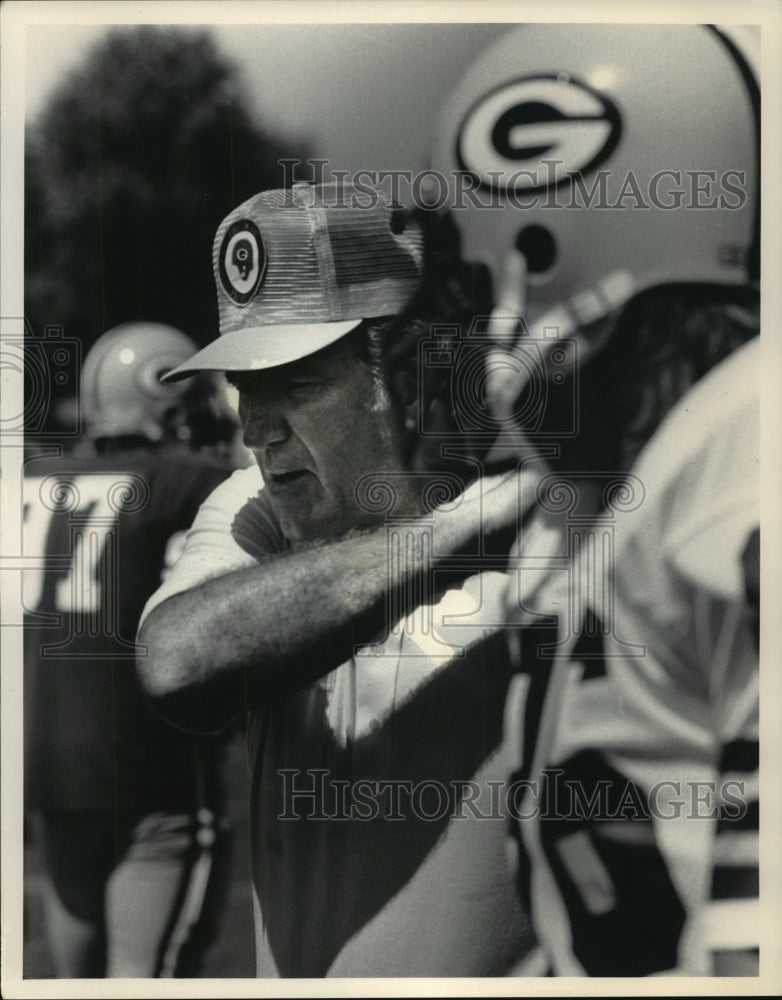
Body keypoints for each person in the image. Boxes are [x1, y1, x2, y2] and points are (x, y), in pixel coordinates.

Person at [137, 181, 545, 977]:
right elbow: (176, 661)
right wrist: (453, 531)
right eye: (245, 388)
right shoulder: (257, 505)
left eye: (294, 383)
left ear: (405, 373)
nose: (255, 429)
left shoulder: (553, 528)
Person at [429, 23, 761, 975]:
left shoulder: (746, 453)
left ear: (542, 246)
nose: (470, 324)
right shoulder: (596, 500)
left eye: (473, 279)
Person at [23, 322, 240, 977]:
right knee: (148, 981)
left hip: (50, 781)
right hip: (154, 779)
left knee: (73, 985)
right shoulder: (189, 483)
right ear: (170, 399)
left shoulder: (30, 481)